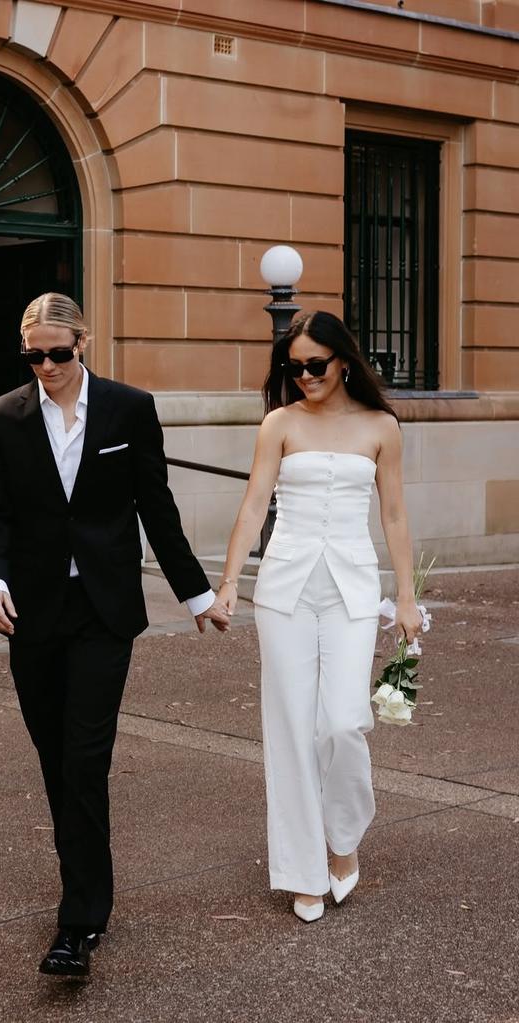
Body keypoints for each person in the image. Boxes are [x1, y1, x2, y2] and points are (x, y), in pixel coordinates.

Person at [0, 293, 229, 976]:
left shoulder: (128, 409)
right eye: (34, 354)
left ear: (82, 342)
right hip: (33, 612)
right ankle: (81, 880)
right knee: (57, 760)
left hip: (104, 610)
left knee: (85, 757)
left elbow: (155, 505)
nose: (46, 365)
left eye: (58, 351)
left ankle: (78, 923)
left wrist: (196, 591)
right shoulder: (1, 417)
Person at [219, 311, 422, 923]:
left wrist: (407, 597)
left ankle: (344, 837)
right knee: (290, 730)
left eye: (316, 364)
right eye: (295, 366)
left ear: (343, 361)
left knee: (341, 722)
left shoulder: (382, 426)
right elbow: (255, 505)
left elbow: (394, 515)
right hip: (284, 590)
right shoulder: (280, 423)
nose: (304, 375)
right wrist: (229, 584)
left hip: (353, 591)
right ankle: (304, 871)